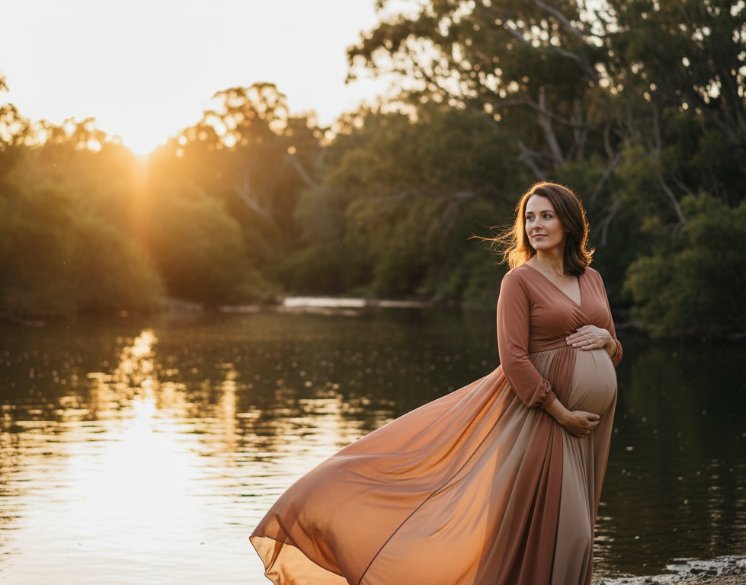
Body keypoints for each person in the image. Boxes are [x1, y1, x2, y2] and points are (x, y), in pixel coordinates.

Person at [249, 181, 622, 585]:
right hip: (545, 420)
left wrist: (607, 340)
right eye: (529, 217)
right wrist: (560, 412)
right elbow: (513, 358)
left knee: (575, 531)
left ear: (569, 222)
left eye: (546, 216)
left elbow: (614, 348)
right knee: (571, 535)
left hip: (589, 428)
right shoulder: (519, 282)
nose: (535, 225)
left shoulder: (592, 279)